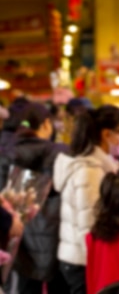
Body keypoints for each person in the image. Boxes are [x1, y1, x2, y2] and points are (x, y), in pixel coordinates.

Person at [53, 105, 119, 294]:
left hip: (79, 258)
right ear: (107, 134)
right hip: (83, 260)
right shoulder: (90, 171)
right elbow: (89, 224)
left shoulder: (99, 166)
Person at [0, 103, 70, 293]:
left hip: (18, 236)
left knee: (24, 287)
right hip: (57, 237)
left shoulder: (5, 153)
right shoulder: (61, 153)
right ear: (47, 124)